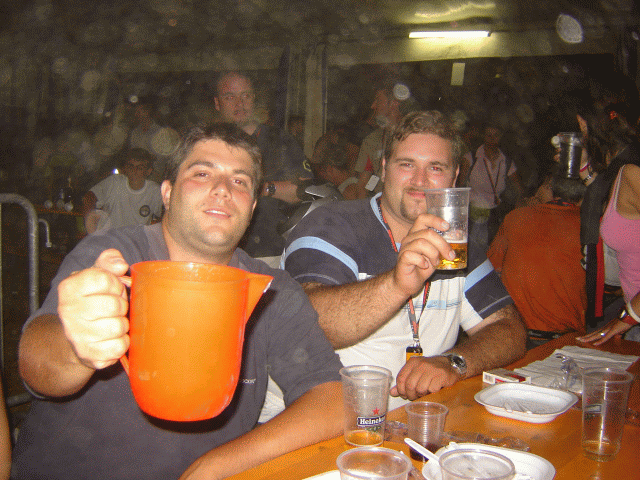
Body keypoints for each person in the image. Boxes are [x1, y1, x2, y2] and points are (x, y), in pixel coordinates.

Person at [12, 123, 343, 480]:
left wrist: (218, 464)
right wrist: (76, 346)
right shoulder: (114, 255)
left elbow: (335, 399)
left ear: (252, 207)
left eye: (239, 181)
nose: (222, 189)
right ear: (167, 193)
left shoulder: (272, 290)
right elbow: (37, 368)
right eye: (202, 173)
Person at [282, 111, 527, 411]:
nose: (420, 180)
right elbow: (307, 326)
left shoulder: (455, 243)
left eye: (435, 167)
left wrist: (454, 362)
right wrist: (396, 285)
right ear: (385, 169)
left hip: (410, 420)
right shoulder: (332, 225)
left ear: (453, 178)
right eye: (407, 164)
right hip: (323, 421)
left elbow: (509, 329)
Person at [570, 74, 640, 344]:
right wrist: (585, 171)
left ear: (584, 123)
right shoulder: (622, 167)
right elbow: (607, 194)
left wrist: (629, 316)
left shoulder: (632, 171)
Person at [213, 71, 312, 257]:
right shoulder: (207, 144)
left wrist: (260, 188)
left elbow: (306, 190)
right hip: (218, 251)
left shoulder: (279, 140)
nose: (239, 103)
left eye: (245, 96)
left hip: (270, 253)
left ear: (254, 99)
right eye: (230, 97)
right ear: (217, 103)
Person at [488, 172, 587, 347]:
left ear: (550, 188)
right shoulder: (591, 225)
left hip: (516, 334)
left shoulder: (516, 217)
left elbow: (493, 268)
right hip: (567, 337)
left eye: (544, 185)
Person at [463, 123, 524, 252]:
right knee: (473, 248)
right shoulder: (471, 158)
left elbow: (519, 188)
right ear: (483, 136)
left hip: (494, 212)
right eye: (488, 135)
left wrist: (519, 203)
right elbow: (459, 184)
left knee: (491, 248)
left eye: (496, 135)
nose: (492, 139)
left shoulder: (506, 161)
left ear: (501, 137)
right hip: (473, 210)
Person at [82, 147, 163, 234]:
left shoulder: (155, 190)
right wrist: (92, 231)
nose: (134, 171)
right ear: (125, 168)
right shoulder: (114, 182)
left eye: (140, 168)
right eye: (131, 166)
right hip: (109, 238)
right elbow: (89, 198)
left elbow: (165, 214)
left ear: (148, 171)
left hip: (136, 240)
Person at [352, 83, 410, 198]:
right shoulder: (372, 141)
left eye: (378, 101)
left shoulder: (415, 138)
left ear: (394, 103)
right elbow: (363, 186)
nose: (373, 106)